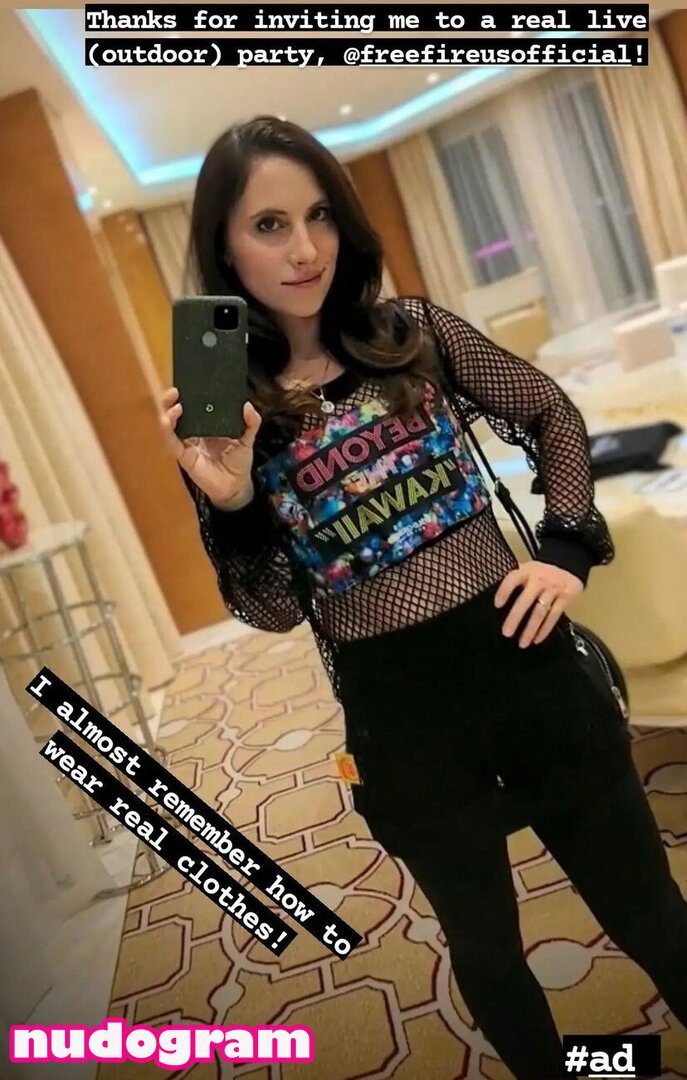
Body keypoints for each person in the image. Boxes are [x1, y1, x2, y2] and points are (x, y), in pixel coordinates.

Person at [160, 116, 687, 1079]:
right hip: (402, 722)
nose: (305, 248)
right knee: (488, 954)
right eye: (269, 225)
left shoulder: (413, 335)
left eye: (319, 215)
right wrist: (231, 502)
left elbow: (549, 412)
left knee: (652, 913)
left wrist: (566, 549)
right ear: (224, 247)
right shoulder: (230, 411)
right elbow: (272, 607)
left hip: (524, 666)